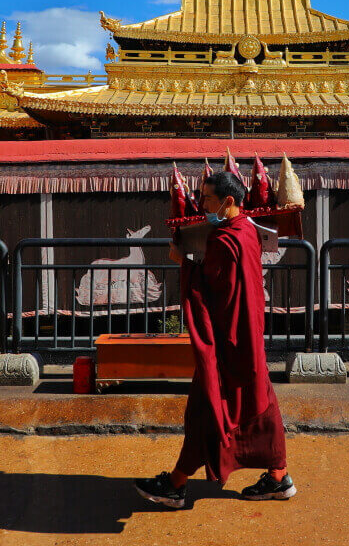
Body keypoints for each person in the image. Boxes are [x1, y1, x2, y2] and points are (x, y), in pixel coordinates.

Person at [135, 171, 294, 509]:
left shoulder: (223, 241)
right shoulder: (246, 228)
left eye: (207, 198)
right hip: (248, 334)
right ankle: (279, 475)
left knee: (207, 408)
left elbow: (207, 290)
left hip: (227, 339)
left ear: (228, 201)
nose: (201, 203)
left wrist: (183, 263)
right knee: (261, 405)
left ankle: (176, 484)